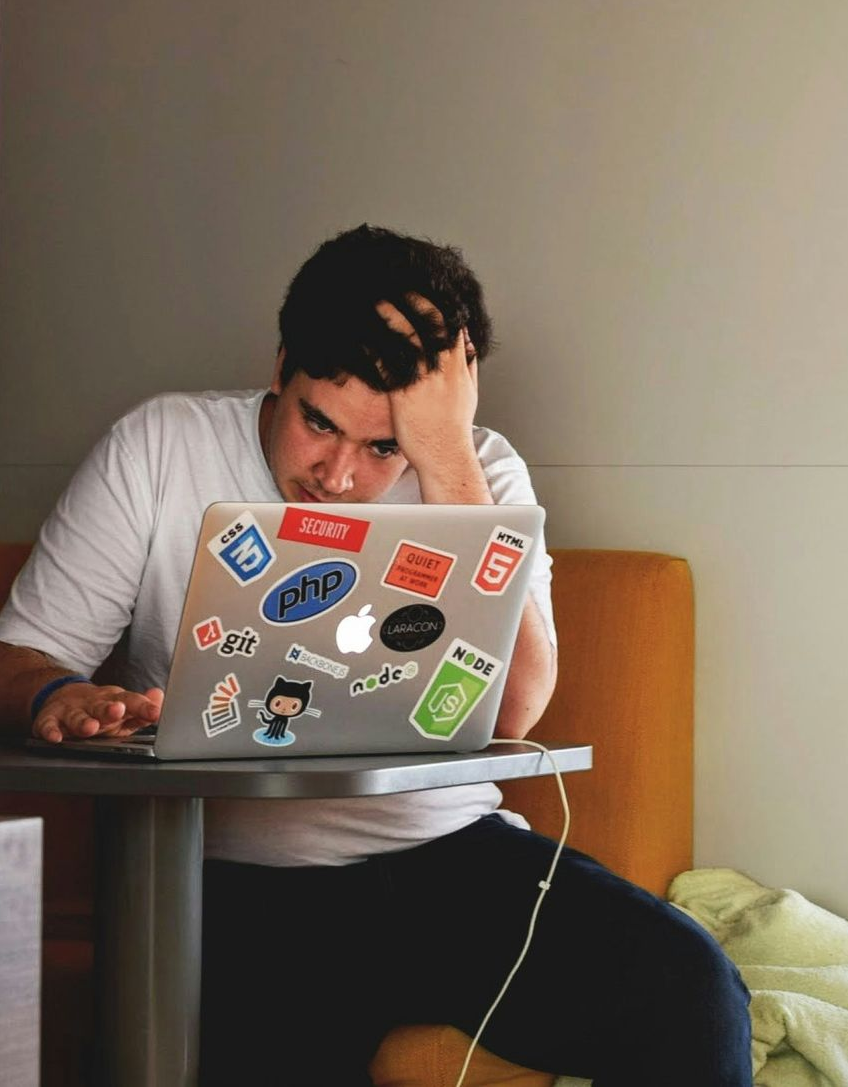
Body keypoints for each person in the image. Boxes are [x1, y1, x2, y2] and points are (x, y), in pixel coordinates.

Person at [0, 224, 752, 1086]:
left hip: (449, 857)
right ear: (280, 367)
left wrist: (442, 457)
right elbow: (19, 655)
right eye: (318, 423)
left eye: (382, 446)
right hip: (232, 882)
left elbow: (516, 709)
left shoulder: (478, 472)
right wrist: (56, 694)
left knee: (690, 989)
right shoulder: (159, 445)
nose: (339, 475)